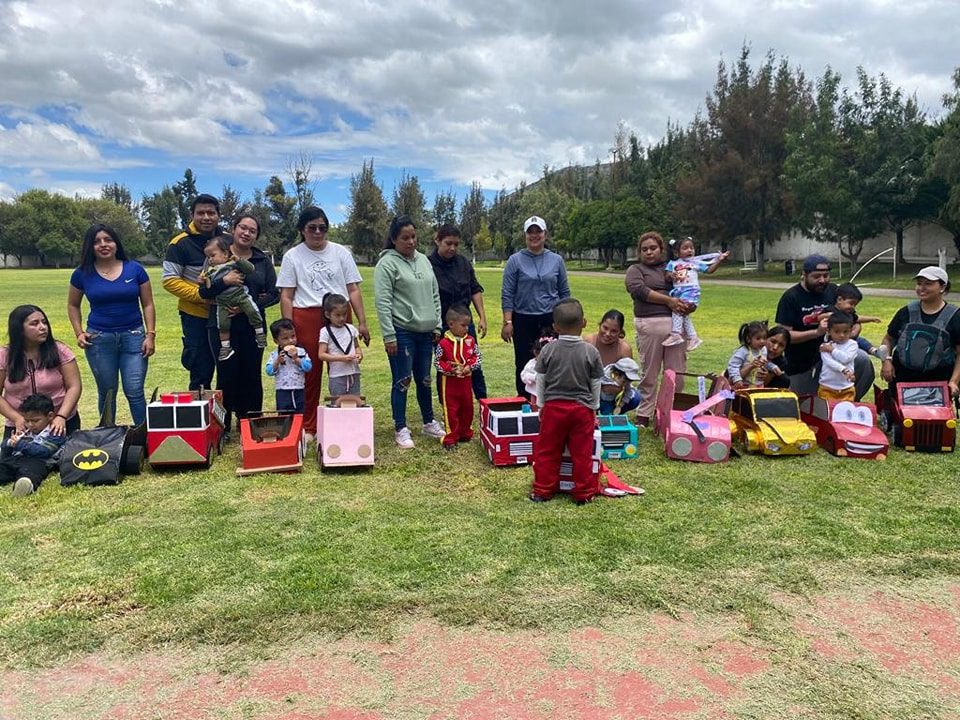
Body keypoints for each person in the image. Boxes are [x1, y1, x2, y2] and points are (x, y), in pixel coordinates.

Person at [277, 206, 369, 440]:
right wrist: (289, 329)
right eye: (312, 228)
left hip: (339, 313)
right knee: (309, 371)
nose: (318, 232)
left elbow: (353, 289)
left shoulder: (340, 253)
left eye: (322, 228)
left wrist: (362, 322)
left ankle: (343, 419)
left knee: (344, 369)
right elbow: (287, 295)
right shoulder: (293, 256)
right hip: (306, 315)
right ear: (302, 230)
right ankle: (309, 426)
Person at [67, 223, 155, 426]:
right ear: (90, 246)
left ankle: (145, 438)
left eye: (108, 239)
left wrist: (150, 335)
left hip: (134, 337)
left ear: (116, 243)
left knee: (134, 391)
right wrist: (79, 332)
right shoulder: (81, 273)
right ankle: (107, 435)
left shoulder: (135, 269)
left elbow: (148, 304)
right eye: (97, 241)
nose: (103, 245)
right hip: (98, 340)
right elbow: (73, 305)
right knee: (107, 392)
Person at [199, 215, 279, 433]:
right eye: (243, 227)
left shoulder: (262, 261)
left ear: (256, 236)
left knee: (251, 374)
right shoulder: (216, 255)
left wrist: (248, 305)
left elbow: (274, 294)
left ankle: (250, 422)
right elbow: (204, 291)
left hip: (252, 327)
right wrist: (224, 281)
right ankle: (222, 425)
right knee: (226, 373)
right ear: (234, 229)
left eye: (252, 230)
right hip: (222, 327)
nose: (246, 233)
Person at [374, 216, 445, 449]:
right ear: (394, 239)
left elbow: (435, 294)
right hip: (402, 332)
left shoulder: (424, 260)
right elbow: (383, 302)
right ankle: (401, 427)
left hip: (426, 332)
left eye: (413, 237)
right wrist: (389, 335)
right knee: (402, 380)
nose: (411, 242)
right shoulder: (387, 264)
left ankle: (428, 421)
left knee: (424, 379)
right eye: (405, 238)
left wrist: (436, 325)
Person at [529, 298, 603, 505]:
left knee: (547, 451)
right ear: (584, 323)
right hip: (582, 410)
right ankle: (583, 493)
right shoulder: (591, 352)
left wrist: (542, 405)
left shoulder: (548, 350)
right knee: (582, 453)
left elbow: (540, 380)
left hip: (554, 408)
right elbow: (596, 382)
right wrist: (594, 407)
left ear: (555, 327)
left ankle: (542, 490)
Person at [774, 255, 874, 399]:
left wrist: (855, 330)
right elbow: (784, 336)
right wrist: (816, 332)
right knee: (803, 405)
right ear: (804, 275)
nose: (822, 280)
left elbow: (851, 316)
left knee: (862, 360)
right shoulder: (791, 297)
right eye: (816, 276)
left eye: (826, 276)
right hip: (802, 362)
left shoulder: (833, 291)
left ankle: (848, 401)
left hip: (835, 353)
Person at [624, 231, 693, 426]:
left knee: (676, 372)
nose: (648, 252)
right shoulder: (635, 270)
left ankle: (671, 412)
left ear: (661, 250)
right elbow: (639, 290)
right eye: (644, 249)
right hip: (650, 325)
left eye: (653, 248)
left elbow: (687, 287)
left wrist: (687, 304)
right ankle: (645, 413)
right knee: (650, 372)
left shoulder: (672, 268)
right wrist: (669, 301)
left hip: (677, 328)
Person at [501, 216, 570, 399]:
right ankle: (524, 398)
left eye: (538, 231)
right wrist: (508, 321)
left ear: (545, 234)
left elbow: (564, 292)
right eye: (530, 232)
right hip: (523, 318)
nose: (534, 235)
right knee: (523, 361)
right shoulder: (515, 260)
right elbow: (507, 293)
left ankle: (553, 396)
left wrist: (567, 321)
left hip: (549, 317)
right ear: (525, 235)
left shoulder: (556, 260)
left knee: (553, 359)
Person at [0, 305, 82, 453]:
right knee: (9, 460)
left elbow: (74, 386)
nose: (43, 327)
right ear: (19, 329)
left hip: (59, 422)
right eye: (34, 324)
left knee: (60, 461)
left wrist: (61, 416)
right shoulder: (5, 356)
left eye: (44, 322)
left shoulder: (60, 350)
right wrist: (18, 418)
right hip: (21, 424)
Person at [162, 193, 222, 391]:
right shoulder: (179, 243)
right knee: (200, 371)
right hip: (196, 317)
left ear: (218, 216)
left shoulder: (227, 240)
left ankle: (230, 416)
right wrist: (202, 296)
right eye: (201, 213)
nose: (206, 217)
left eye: (211, 213)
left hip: (225, 315)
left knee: (228, 369)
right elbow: (170, 281)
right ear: (192, 215)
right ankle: (202, 419)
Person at [879, 266, 960, 397]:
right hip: (903, 379)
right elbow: (889, 339)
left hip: (938, 381)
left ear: (942, 287)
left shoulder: (955, 316)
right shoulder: (905, 312)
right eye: (919, 283)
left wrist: (954, 381)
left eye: (928, 284)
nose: (921, 288)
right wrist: (886, 361)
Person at [429, 223, 488, 400]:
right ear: (437, 240)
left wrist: (482, 318)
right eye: (448, 243)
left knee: (472, 361)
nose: (452, 248)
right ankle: (446, 402)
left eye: (456, 244)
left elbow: (475, 289)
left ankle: (483, 400)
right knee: (445, 365)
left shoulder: (463, 263)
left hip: (464, 324)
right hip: (441, 325)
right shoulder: (428, 265)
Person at [199, 236, 266, 361]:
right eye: (208, 257)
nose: (210, 259)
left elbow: (250, 269)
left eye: (212, 255)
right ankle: (226, 347)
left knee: (252, 311)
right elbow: (205, 291)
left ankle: (260, 333)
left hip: (240, 296)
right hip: (223, 303)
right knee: (223, 325)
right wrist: (204, 281)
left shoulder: (233, 264)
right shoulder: (209, 271)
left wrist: (239, 260)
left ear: (225, 254)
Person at [663, 238, 728, 349]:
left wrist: (719, 260)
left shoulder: (695, 263)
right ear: (676, 252)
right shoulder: (672, 263)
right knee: (684, 313)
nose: (689, 250)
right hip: (678, 292)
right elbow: (667, 275)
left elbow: (709, 270)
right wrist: (671, 275)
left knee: (679, 309)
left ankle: (676, 334)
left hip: (691, 291)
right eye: (685, 248)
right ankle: (693, 337)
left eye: (691, 248)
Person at [434, 305, 482, 448]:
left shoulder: (471, 341)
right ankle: (450, 438)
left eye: (468, 325)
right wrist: (450, 369)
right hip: (449, 384)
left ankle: (465, 433)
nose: (466, 328)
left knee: (468, 408)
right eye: (463, 325)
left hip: (466, 383)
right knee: (451, 411)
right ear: (451, 324)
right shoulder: (443, 343)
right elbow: (437, 362)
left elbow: (477, 357)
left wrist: (469, 366)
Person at [0, 393, 66, 497]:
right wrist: (10, 443)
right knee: (4, 466)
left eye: (35, 421)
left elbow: (44, 451)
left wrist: (20, 444)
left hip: (39, 461)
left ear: (50, 416)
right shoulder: (25, 430)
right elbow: (5, 451)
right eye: (27, 420)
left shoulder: (55, 432)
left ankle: (25, 485)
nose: (30, 424)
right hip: (17, 459)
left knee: (32, 472)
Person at [805, 283, 887, 360]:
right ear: (839, 299)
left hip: (847, 339)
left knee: (860, 340)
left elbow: (858, 318)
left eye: (855, 305)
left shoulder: (849, 313)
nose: (853, 307)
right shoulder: (831, 310)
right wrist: (828, 316)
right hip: (832, 341)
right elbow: (819, 317)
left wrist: (871, 319)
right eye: (851, 303)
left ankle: (875, 352)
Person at [584, 310, 634, 414]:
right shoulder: (588, 342)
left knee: (635, 397)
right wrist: (600, 387)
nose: (607, 334)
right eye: (605, 328)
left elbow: (628, 379)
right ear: (600, 325)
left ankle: (615, 412)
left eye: (614, 331)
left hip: (612, 393)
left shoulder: (624, 349)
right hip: (588, 390)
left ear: (620, 332)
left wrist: (619, 388)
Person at [317, 293, 362, 397]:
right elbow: (321, 354)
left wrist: (359, 355)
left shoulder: (351, 328)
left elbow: (356, 346)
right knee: (337, 403)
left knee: (354, 402)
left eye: (344, 314)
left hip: (353, 373)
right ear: (328, 315)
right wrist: (341, 358)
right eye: (337, 315)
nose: (342, 318)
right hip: (337, 375)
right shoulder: (325, 331)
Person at [265, 318, 313, 414]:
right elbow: (269, 371)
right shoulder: (275, 355)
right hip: (282, 390)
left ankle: (299, 428)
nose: (291, 340)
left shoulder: (301, 352)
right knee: (284, 413)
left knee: (299, 412)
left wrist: (297, 359)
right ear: (276, 341)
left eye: (293, 336)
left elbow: (308, 367)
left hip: (298, 389)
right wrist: (277, 362)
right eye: (285, 338)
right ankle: (286, 429)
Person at [726, 321, 780, 389]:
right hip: (743, 386)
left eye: (764, 338)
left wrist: (773, 367)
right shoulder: (743, 351)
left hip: (759, 386)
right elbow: (733, 366)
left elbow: (765, 362)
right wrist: (737, 380)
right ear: (748, 339)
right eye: (758, 338)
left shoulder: (763, 350)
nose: (762, 341)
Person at [818, 312, 858, 401]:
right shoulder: (824, 346)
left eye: (845, 332)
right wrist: (844, 370)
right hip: (827, 386)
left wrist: (832, 350)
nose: (841, 335)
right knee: (827, 413)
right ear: (828, 331)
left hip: (846, 387)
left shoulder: (853, 345)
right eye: (837, 332)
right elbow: (829, 362)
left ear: (851, 330)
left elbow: (846, 358)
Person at [520, 335, 555, 410]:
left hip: (550, 394)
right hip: (535, 393)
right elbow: (524, 374)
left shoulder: (553, 363)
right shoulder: (532, 363)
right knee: (535, 408)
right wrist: (529, 377)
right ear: (535, 352)